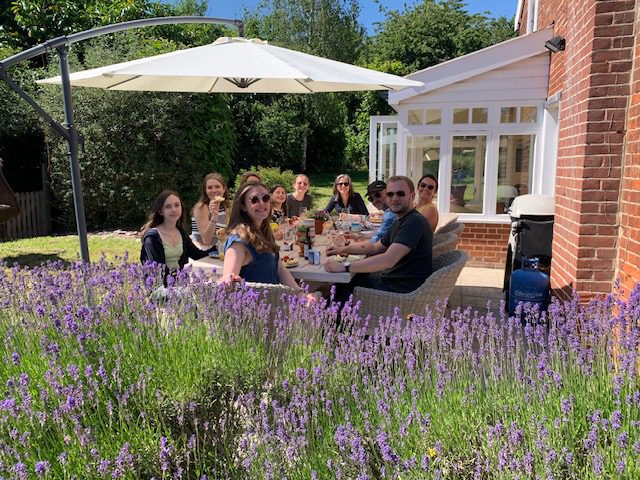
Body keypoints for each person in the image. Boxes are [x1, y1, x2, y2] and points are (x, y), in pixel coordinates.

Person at [324, 176, 433, 301]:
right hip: (394, 281)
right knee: (342, 286)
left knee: (338, 292)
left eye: (400, 194)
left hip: (400, 292)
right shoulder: (401, 219)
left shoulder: (413, 222)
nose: (394, 198)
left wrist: (344, 266)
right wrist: (342, 249)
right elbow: (376, 247)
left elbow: (388, 260)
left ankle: (335, 316)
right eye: (390, 194)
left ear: (412, 196)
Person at [219, 182, 314, 303]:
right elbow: (229, 280)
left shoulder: (265, 233)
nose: (262, 203)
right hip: (257, 312)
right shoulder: (238, 241)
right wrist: (229, 278)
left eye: (265, 198)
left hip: (276, 305)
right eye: (254, 200)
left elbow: (280, 269)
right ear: (243, 206)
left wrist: (300, 293)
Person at [141, 190, 213, 283]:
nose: (174, 209)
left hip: (180, 283)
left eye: (177, 205)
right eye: (168, 207)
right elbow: (158, 269)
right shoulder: (152, 237)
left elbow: (197, 255)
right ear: (160, 211)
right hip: (160, 286)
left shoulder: (181, 232)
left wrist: (220, 248)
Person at [191, 173, 229, 247]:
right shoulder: (201, 207)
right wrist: (214, 215)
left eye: (217, 187)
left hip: (219, 251)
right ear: (205, 190)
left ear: (224, 189)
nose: (214, 190)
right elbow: (206, 240)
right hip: (202, 253)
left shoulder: (227, 208)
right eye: (210, 188)